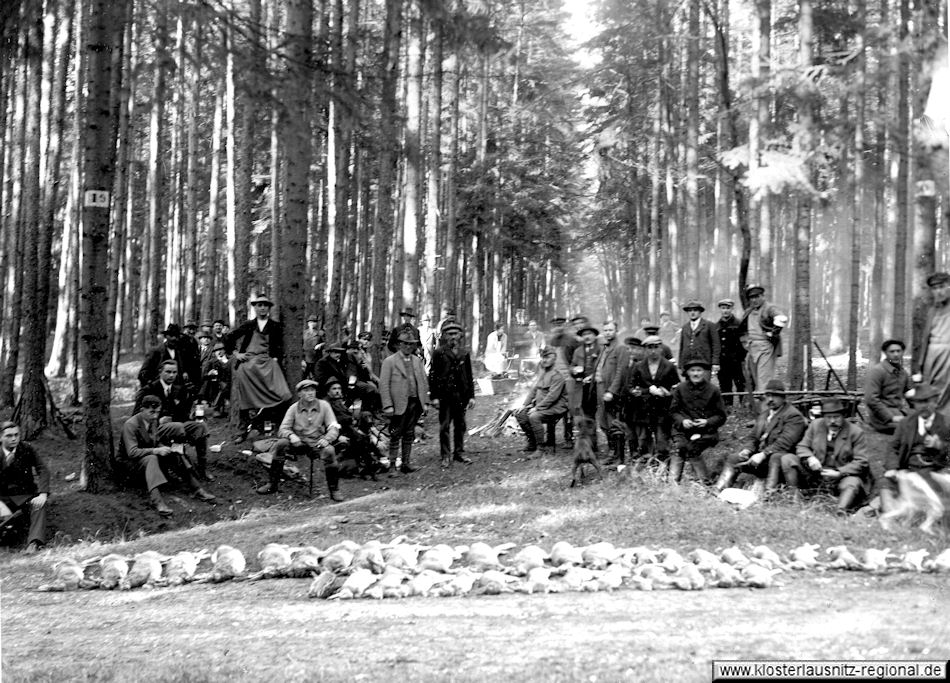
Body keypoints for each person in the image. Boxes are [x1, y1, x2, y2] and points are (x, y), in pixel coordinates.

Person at [117, 395, 216, 516]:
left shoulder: (152, 422)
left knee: (173, 454)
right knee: (152, 458)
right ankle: (157, 501)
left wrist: (166, 448)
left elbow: (155, 441)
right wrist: (156, 451)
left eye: (157, 412)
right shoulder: (131, 425)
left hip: (145, 459)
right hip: (130, 464)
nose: (155, 415)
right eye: (151, 412)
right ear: (142, 410)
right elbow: (132, 452)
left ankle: (197, 489)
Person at [715, 379, 806, 496]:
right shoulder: (765, 414)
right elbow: (753, 437)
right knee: (734, 458)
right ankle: (718, 489)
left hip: (783, 463)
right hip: (762, 459)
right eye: (768, 396)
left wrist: (763, 454)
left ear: (783, 398)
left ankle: (768, 495)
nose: (770, 399)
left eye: (775, 396)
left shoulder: (793, 416)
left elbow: (785, 443)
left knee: (776, 457)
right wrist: (747, 450)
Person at [259, 379, 344, 501]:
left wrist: (327, 439)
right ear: (299, 394)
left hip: (317, 443)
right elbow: (283, 428)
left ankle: (334, 490)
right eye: (306, 390)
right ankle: (272, 484)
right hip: (299, 442)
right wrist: (291, 436)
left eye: (312, 390)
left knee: (329, 451)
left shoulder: (324, 406)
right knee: (281, 444)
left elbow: (334, 427)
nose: (310, 393)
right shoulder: (294, 408)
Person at [225, 294, 292, 443]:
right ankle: (242, 431)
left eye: (265, 305)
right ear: (254, 307)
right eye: (259, 305)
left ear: (269, 308)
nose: (262, 308)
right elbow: (229, 337)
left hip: (267, 364)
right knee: (245, 400)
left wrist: (275, 358)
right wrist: (236, 354)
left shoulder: (275, 326)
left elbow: (280, 346)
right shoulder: (249, 324)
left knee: (283, 395)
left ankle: (265, 425)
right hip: (248, 365)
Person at [783, 398, 870, 512]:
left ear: (843, 416)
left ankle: (840, 510)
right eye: (828, 417)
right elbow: (802, 446)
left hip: (840, 478)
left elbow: (861, 461)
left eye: (836, 417)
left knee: (852, 483)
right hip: (815, 474)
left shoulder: (856, 432)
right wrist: (810, 458)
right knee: (787, 459)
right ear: (823, 417)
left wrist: (839, 472)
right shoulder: (815, 425)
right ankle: (795, 501)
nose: (832, 421)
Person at [134, 360, 214, 482]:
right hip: (155, 430)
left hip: (177, 426)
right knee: (177, 427)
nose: (171, 375)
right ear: (160, 372)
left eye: (174, 372)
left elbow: (182, 415)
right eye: (168, 372)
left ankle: (202, 468)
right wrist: (157, 420)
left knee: (200, 426)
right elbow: (137, 416)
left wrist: (191, 414)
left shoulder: (179, 389)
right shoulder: (149, 389)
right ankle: (179, 465)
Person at [881, 383, 950, 512]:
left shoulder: (946, 423)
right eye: (918, 402)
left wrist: (940, 445)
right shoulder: (905, 423)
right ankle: (890, 517)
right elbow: (893, 447)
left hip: (934, 471)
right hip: (908, 469)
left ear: (935, 402)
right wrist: (892, 468)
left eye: (926, 401)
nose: (923, 406)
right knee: (885, 483)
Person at [669, 359, 727, 484]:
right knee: (679, 447)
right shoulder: (680, 389)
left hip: (706, 432)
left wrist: (707, 422)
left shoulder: (713, 390)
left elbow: (721, 416)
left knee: (692, 448)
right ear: (688, 373)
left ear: (705, 372)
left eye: (699, 370)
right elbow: (673, 412)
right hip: (682, 430)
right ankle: (672, 483)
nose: (696, 374)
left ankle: (704, 483)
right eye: (692, 370)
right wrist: (683, 421)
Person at [380, 330, 430, 474]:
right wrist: (388, 405)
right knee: (395, 434)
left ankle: (406, 463)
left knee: (409, 433)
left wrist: (425, 402)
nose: (408, 347)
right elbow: (383, 385)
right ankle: (392, 465)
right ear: (399, 344)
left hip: (414, 403)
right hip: (397, 405)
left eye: (411, 344)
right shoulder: (390, 361)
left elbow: (423, 382)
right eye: (405, 344)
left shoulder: (417, 361)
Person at [429, 321, 476, 468]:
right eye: (450, 334)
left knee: (460, 425)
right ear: (444, 336)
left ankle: (459, 452)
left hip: (460, 396)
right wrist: (434, 397)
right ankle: (445, 455)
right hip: (445, 396)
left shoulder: (464, 353)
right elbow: (433, 376)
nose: (453, 337)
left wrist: (471, 396)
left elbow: (469, 376)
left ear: (460, 335)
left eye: (455, 334)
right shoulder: (438, 353)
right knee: (444, 426)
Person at [626, 335, 680, 462]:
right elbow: (630, 387)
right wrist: (646, 390)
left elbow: (676, 386)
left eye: (656, 347)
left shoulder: (668, 366)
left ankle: (662, 461)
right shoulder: (639, 366)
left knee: (661, 438)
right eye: (650, 348)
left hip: (662, 408)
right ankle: (647, 461)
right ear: (645, 349)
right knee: (644, 438)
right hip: (643, 408)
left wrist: (666, 392)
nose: (653, 351)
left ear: (661, 348)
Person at [0, 422, 50, 553]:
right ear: (1, 437)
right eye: (9, 436)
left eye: (16, 435)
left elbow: (43, 469)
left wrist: (43, 494)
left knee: (39, 506)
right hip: (3, 499)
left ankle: (34, 543)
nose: (14, 438)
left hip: (25, 495)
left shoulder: (26, 448)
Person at [515, 348, 568, 455]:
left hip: (557, 407)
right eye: (543, 357)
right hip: (544, 406)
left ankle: (541, 449)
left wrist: (537, 408)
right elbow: (534, 389)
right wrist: (524, 405)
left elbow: (552, 397)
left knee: (534, 416)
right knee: (520, 414)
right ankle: (533, 443)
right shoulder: (542, 372)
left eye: (548, 358)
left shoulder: (557, 376)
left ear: (554, 359)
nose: (544, 360)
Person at [739, 284, 788, 393]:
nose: (754, 300)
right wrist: (745, 343)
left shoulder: (769, 308)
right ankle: (757, 406)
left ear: (762, 296)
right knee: (754, 379)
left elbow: (781, 318)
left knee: (764, 379)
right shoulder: (749, 310)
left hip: (765, 348)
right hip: (752, 348)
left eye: (757, 296)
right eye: (752, 297)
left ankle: (765, 407)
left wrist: (773, 333)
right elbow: (742, 328)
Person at [913, 272, 950, 416]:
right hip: (932, 357)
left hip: (948, 355)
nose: (938, 291)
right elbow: (926, 338)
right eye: (934, 288)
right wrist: (921, 363)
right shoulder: (932, 311)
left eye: (942, 286)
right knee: (930, 391)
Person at [595, 320, 628, 463]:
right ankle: (612, 450)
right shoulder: (604, 347)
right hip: (600, 388)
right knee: (602, 422)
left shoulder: (621, 348)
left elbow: (621, 371)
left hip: (611, 391)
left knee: (613, 423)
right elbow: (601, 367)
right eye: (605, 330)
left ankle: (616, 454)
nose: (607, 333)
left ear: (616, 331)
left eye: (610, 330)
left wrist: (612, 391)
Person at [865, 338, 911, 434]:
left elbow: (910, 394)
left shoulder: (903, 373)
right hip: (881, 418)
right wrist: (890, 417)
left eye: (899, 351)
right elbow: (871, 399)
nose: (896, 355)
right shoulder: (878, 371)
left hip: (899, 413)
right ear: (885, 353)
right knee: (911, 429)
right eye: (892, 352)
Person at [138, 323, 200, 390]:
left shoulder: (179, 352)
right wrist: (152, 385)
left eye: (176, 336)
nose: (174, 338)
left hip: (175, 391)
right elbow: (143, 373)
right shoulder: (156, 352)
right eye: (171, 335)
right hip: (158, 389)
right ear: (165, 336)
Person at [572, 324, 602, 449]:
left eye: (590, 334)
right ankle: (591, 444)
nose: (587, 337)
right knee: (587, 416)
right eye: (584, 335)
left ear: (595, 336)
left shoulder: (601, 349)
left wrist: (593, 377)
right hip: (583, 388)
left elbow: (604, 368)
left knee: (603, 417)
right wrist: (573, 370)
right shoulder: (578, 351)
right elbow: (572, 365)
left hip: (598, 386)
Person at [716, 298, 746, 405]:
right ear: (720, 309)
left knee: (740, 384)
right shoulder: (716, 326)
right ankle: (728, 406)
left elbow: (744, 343)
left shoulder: (738, 323)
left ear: (732, 309)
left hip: (737, 361)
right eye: (723, 308)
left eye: (728, 308)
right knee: (725, 384)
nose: (725, 311)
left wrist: (742, 358)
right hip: (723, 361)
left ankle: (743, 405)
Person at [677, 300, 720, 373]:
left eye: (695, 310)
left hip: (704, 362)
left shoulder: (709, 325)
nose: (692, 312)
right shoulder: (685, 327)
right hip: (688, 363)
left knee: (704, 383)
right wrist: (680, 364)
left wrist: (715, 362)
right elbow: (682, 346)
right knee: (689, 384)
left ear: (700, 312)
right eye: (690, 311)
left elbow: (716, 345)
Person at [201, 342, 231, 416]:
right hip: (216, 383)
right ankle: (216, 407)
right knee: (223, 387)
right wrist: (210, 373)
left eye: (221, 349)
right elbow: (204, 375)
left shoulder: (230, 360)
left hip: (230, 381)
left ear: (225, 350)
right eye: (217, 350)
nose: (219, 352)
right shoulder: (211, 362)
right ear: (214, 352)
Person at [303, 316, 324, 380]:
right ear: (308, 323)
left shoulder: (320, 333)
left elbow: (326, 343)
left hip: (316, 357)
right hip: (305, 356)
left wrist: (320, 345)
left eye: (314, 322)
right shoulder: (304, 333)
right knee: (304, 375)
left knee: (316, 375)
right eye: (310, 322)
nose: (312, 323)